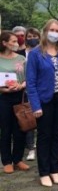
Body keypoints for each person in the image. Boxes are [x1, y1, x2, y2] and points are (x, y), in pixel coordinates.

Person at [26, 19, 58, 187]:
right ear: (45, 31)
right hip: (44, 101)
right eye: (52, 29)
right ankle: (44, 172)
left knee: (57, 136)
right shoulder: (36, 54)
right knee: (44, 136)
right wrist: (35, 105)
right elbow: (31, 82)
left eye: (57, 30)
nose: (54, 33)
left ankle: (54, 170)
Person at [0, 31, 29, 174]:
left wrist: (21, 85)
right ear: (4, 43)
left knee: (20, 128)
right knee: (6, 129)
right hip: (3, 98)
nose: (16, 43)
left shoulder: (22, 58)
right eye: (12, 41)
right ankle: (6, 161)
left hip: (20, 96)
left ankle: (18, 159)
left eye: (16, 41)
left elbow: (28, 77)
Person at [18, 27, 41, 161]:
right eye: (29, 36)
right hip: (24, 90)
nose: (32, 39)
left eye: (35, 36)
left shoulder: (43, 52)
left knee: (40, 118)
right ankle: (31, 148)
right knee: (28, 119)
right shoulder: (20, 54)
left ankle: (40, 143)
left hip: (41, 90)